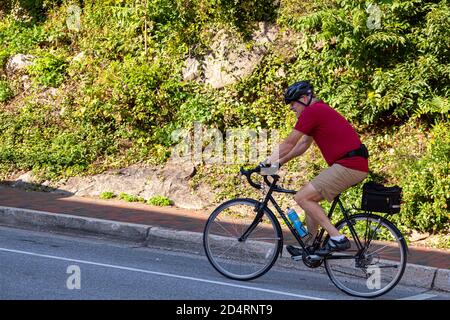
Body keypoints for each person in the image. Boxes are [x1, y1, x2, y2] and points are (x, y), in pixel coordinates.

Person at [263, 80, 369, 257]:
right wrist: (278, 164)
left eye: (293, 103)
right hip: (350, 164)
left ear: (304, 98)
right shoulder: (319, 111)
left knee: (302, 197)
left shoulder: (313, 111)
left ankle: (337, 238)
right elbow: (302, 145)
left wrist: (265, 165)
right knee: (308, 196)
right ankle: (311, 245)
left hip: (349, 165)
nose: (291, 108)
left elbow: (289, 142)